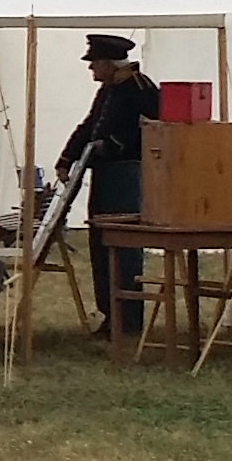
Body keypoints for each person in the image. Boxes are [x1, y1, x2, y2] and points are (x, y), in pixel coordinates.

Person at [64, 34, 163, 338]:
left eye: (95, 63)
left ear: (109, 63)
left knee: (124, 246)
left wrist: (112, 145)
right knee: (101, 243)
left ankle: (129, 319)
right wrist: (67, 157)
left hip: (126, 175)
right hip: (105, 175)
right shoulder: (109, 90)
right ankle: (110, 314)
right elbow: (90, 124)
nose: (91, 69)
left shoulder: (141, 90)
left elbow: (152, 131)